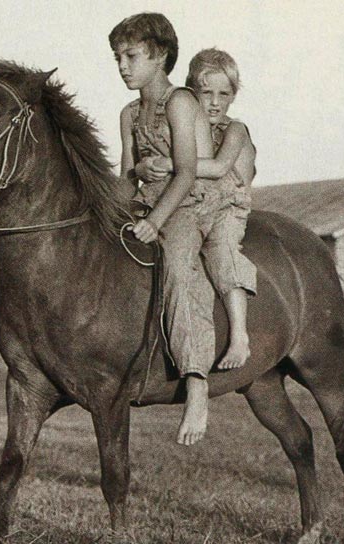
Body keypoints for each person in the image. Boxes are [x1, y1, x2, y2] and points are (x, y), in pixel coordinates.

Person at [110, 12, 216, 446]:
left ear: (160, 56)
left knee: (177, 266)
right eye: (117, 57)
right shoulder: (128, 112)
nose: (122, 65)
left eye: (131, 56)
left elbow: (189, 172)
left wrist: (155, 221)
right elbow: (125, 177)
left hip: (187, 203)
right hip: (145, 200)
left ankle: (196, 383)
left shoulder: (181, 102)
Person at [136, 47, 257, 373]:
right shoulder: (188, 127)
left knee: (224, 253)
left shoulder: (235, 130)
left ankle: (239, 336)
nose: (215, 102)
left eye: (224, 94)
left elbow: (217, 167)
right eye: (206, 93)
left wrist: (166, 163)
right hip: (201, 206)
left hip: (230, 207)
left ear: (233, 96)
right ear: (192, 94)